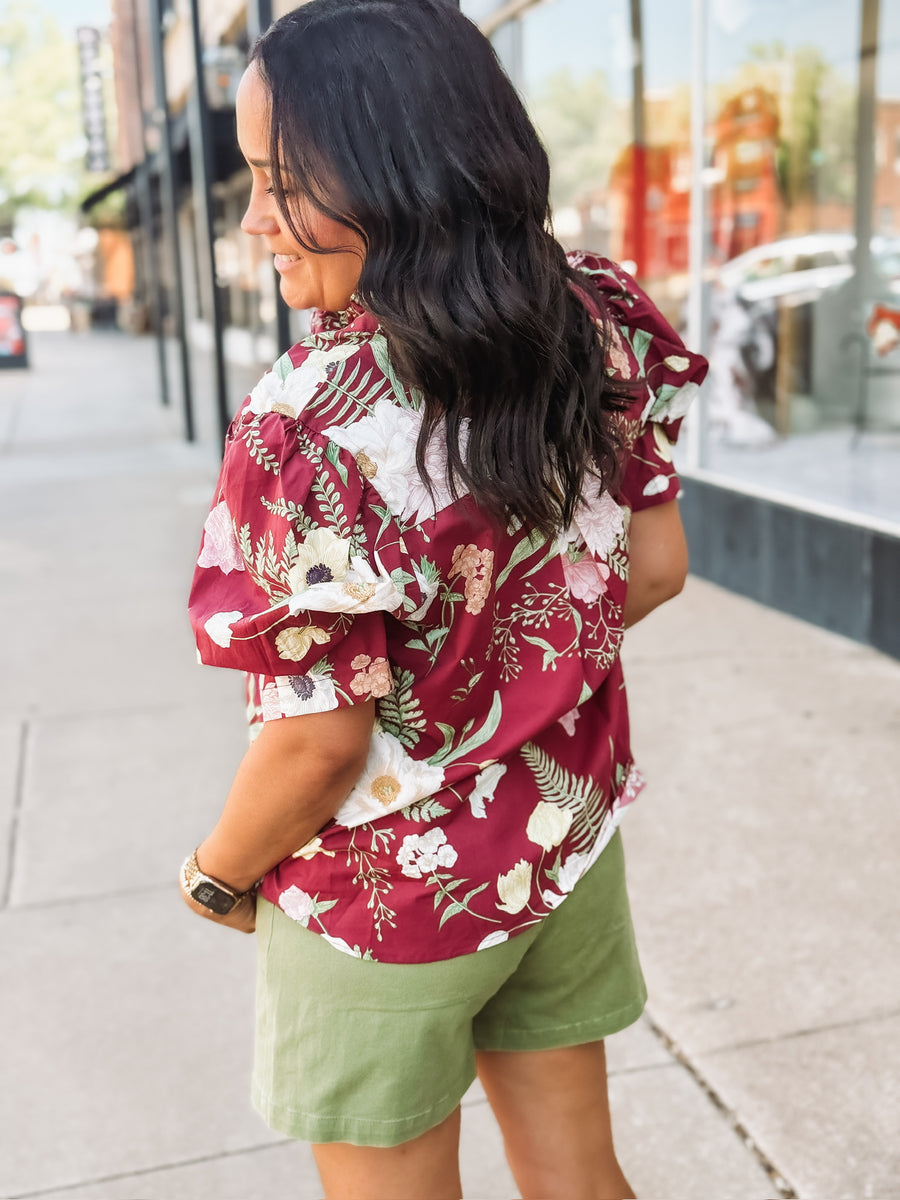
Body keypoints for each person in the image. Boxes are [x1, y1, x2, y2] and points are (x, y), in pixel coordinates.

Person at [179, 3, 707, 1197]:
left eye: (280, 183)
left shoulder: (304, 425)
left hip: (384, 902)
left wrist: (216, 871)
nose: (254, 218)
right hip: (560, 846)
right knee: (582, 1178)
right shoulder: (596, 314)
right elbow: (655, 567)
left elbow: (319, 744)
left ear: (397, 174)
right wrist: (514, 674)